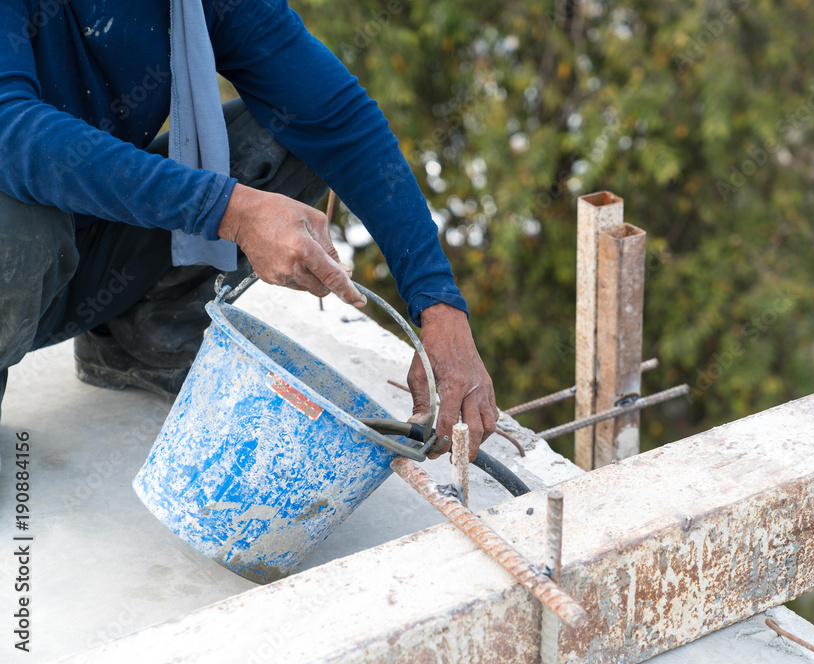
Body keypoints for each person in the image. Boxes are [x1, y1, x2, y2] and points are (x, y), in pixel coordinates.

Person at [0, 0, 497, 457]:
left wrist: (439, 307)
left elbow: (337, 121)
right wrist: (231, 211)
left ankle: (133, 337)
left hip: (82, 266)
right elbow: (10, 129)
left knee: (284, 138)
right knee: (21, 224)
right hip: (15, 254)